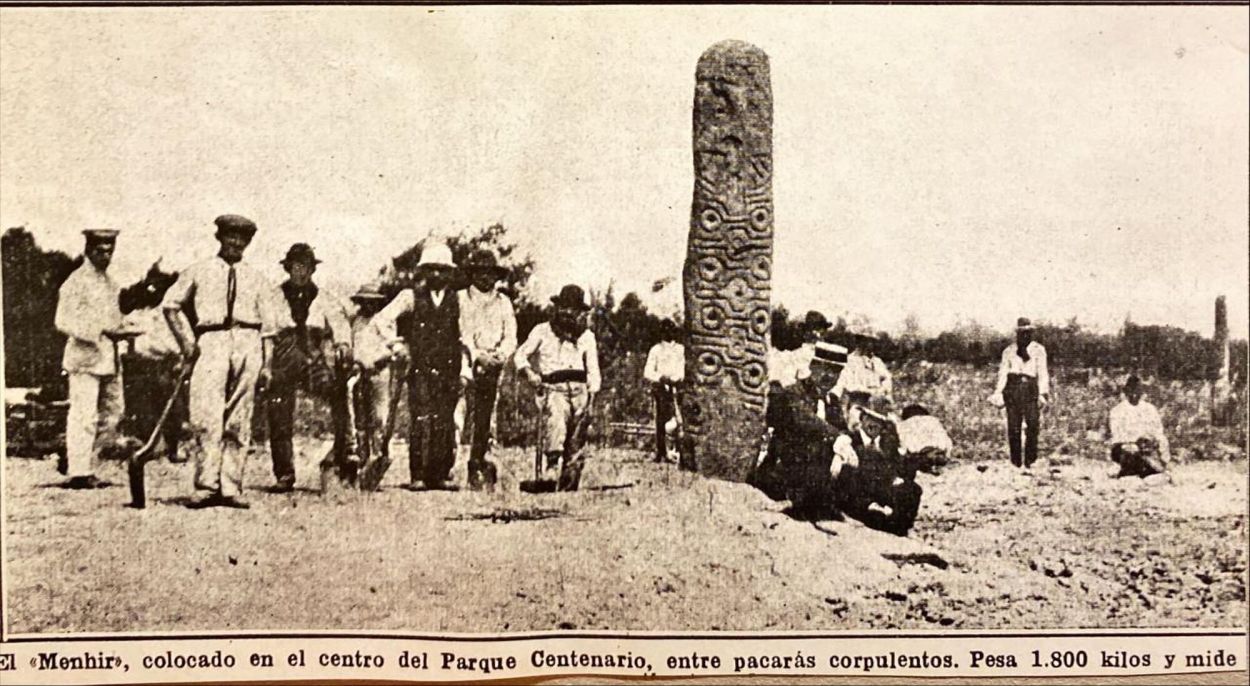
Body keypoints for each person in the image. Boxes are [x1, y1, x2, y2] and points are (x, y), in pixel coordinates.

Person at [162, 215, 278, 509]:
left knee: (239, 419)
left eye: (242, 239)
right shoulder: (199, 271)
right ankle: (206, 485)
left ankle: (230, 487)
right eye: (231, 237)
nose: (236, 243)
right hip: (211, 340)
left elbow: (269, 329)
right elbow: (171, 306)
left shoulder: (258, 278)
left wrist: (266, 365)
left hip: (248, 341)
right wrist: (187, 343)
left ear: (248, 243)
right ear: (220, 237)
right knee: (206, 416)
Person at [370, 240, 469, 490]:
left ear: (450, 272)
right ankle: (419, 474)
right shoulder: (409, 296)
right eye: (431, 268)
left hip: (449, 367)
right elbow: (382, 320)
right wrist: (397, 345)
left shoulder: (460, 301)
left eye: (442, 269)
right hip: (420, 368)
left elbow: (466, 338)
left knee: (445, 418)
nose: (436, 274)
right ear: (423, 271)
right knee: (421, 417)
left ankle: (442, 474)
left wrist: (465, 370)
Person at [265, 243, 353, 492]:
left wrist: (343, 345)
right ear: (288, 268)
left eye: (307, 267)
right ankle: (284, 474)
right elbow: (267, 332)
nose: (302, 272)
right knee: (279, 413)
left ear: (313, 270)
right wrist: (268, 365)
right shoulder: (273, 296)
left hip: (313, 356)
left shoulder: (324, 298)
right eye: (297, 266)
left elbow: (340, 323)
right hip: (283, 355)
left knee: (338, 398)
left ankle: (342, 459)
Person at [54, 229, 128, 489]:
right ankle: (79, 472)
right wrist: (97, 332)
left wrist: (122, 330)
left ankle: (82, 459)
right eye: (100, 250)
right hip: (85, 357)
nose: (106, 255)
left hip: (109, 356)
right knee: (84, 415)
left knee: (114, 414)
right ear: (88, 250)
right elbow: (62, 320)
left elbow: (114, 318)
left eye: (110, 250)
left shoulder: (110, 282)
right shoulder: (76, 281)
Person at [514, 284, 601, 491]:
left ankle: (569, 482)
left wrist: (592, 399)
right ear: (557, 308)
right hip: (554, 388)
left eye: (574, 309)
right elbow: (520, 355)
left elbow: (593, 370)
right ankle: (551, 469)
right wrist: (530, 373)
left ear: (580, 312)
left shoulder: (586, 336)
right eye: (565, 307)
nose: (568, 313)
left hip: (580, 389)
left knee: (577, 437)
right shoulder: (543, 331)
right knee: (556, 424)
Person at [457, 248, 517, 489]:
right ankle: (451, 465)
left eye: (490, 273)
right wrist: (477, 356)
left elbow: (511, 336)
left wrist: (499, 356)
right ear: (472, 274)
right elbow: (462, 332)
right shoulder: (461, 298)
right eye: (480, 272)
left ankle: (480, 462)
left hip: (493, 362)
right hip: (465, 359)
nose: (485, 278)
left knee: (487, 415)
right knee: (458, 411)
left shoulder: (503, 302)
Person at [830, 401, 923, 536]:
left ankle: (902, 529)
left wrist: (905, 465)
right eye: (870, 419)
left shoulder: (888, 443)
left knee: (912, 489)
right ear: (862, 418)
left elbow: (900, 469)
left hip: (882, 490)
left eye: (879, 422)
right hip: (858, 493)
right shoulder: (849, 439)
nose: (874, 425)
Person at [348, 281, 398, 486]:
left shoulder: (384, 321)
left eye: (372, 302)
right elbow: (352, 346)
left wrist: (377, 361)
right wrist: (358, 362)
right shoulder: (356, 322)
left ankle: (380, 459)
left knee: (379, 417)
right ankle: (362, 461)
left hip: (379, 372)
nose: (368, 306)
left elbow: (392, 347)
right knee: (360, 418)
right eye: (365, 302)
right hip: (360, 372)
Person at [990, 317, 1051, 469]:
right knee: (1013, 426)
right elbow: (1003, 373)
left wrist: (1043, 393)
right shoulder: (1009, 351)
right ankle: (1015, 462)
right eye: (1022, 332)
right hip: (1013, 388)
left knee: (1032, 424)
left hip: (1030, 388)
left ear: (1031, 333)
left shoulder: (1038, 350)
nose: (1025, 335)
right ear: (1017, 333)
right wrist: (998, 392)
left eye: (1028, 332)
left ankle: (1031, 460)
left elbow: (1043, 372)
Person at [1108, 374, 1171, 479]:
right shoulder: (1117, 411)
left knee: (1160, 445)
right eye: (1131, 391)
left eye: (1137, 391)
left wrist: (1151, 439)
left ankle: (1154, 468)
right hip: (1127, 445)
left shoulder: (1150, 409)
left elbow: (1158, 430)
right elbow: (1117, 435)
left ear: (1141, 392)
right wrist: (1132, 442)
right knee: (1129, 453)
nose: (1134, 395)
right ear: (1126, 392)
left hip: (1147, 445)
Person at [831, 328, 893, 431]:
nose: (870, 344)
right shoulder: (850, 361)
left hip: (877, 404)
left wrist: (882, 390)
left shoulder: (877, 362)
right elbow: (849, 385)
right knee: (857, 425)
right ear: (860, 341)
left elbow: (887, 378)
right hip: (858, 404)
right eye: (867, 341)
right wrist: (870, 391)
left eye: (872, 341)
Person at [643, 318, 684, 463]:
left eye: (670, 330)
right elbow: (648, 371)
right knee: (660, 420)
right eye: (665, 330)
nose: (668, 333)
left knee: (679, 420)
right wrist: (660, 378)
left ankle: (679, 451)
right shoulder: (656, 350)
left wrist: (675, 378)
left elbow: (682, 369)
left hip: (677, 387)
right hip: (660, 388)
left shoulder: (680, 350)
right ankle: (661, 451)